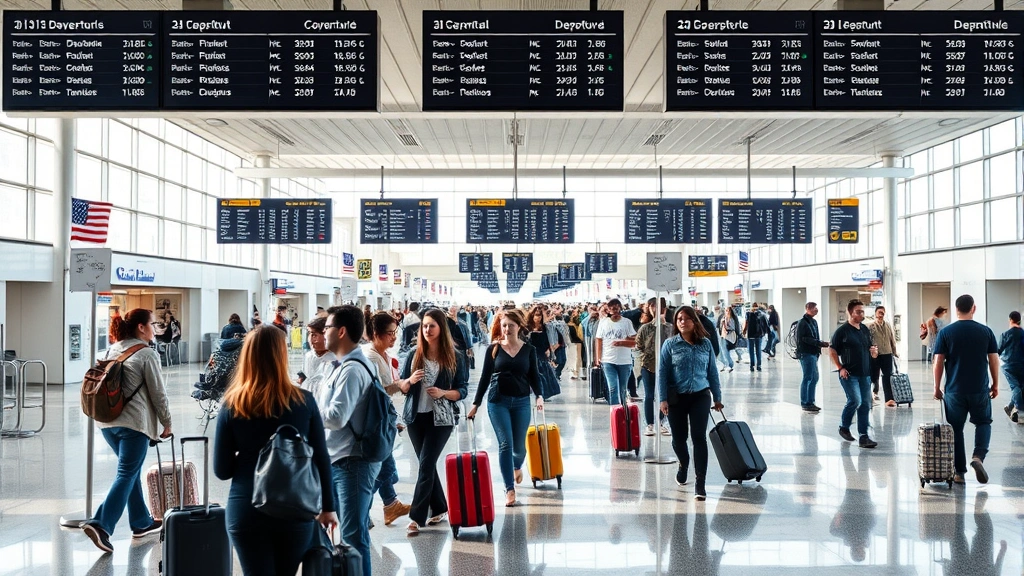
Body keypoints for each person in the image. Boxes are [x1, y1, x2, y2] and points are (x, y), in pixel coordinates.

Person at [213, 326, 337, 576]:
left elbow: (222, 470)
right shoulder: (304, 401)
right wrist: (327, 506)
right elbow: (321, 457)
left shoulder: (232, 404)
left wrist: (250, 453)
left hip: (246, 507)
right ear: (281, 356)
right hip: (295, 507)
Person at [82, 309, 172, 553]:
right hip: (134, 425)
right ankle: (101, 524)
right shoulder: (146, 354)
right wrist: (167, 422)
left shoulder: (113, 349)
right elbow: (158, 394)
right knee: (126, 473)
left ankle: (141, 521)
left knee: (130, 471)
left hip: (108, 424)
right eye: (153, 324)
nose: (156, 329)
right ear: (141, 327)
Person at [318, 305, 385, 575]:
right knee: (348, 535)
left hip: (353, 462)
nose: (323, 333)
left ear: (342, 331)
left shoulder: (352, 370)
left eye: (327, 328)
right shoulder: (341, 366)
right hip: (341, 459)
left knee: (354, 538)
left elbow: (336, 417)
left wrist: (308, 411)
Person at [397, 309, 469, 535]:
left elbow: (462, 390)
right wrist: (409, 380)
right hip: (415, 417)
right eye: (424, 326)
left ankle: (416, 517)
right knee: (425, 465)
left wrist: (443, 393)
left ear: (441, 329)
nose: (427, 330)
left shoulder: (455, 356)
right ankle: (439, 507)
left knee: (427, 464)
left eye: (432, 326)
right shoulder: (413, 354)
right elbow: (402, 386)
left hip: (442, 419)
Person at [467, 309, 543, 507]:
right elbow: (484, 378)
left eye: (510, 325)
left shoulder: (529, 350)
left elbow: (534, 375)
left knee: (519, 448)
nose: (507, 329)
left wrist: (539, 396)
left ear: (519, 327)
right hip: (497, 401)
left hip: (521, 402)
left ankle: (517, 465)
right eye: (504, 325)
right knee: (505, 444)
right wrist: (476, 403)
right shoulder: (494, 349)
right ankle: (509, 488)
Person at [932, 294, 998, 485]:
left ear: (956, 309)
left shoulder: (946, 333)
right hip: (979, 389)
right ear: (973, 308)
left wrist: (936, 387)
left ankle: (960, 473)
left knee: (956, 430)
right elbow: (993, 359)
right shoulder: (985, 332)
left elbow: (938, 361)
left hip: (954, 391)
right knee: (983, 422)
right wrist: (995, 384)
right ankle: (978, 456)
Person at [659, 306, 723, 501]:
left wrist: (717, 397)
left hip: (700, 396)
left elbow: (712, 371)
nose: (682, 322)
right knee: (679, 439)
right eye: (679, 319)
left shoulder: (706, 344)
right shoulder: (670, 345)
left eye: (687, 318)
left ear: (695, 321)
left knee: (698, 438)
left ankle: (700, 483)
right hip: (676, 397)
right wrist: (662, 399)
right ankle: (683, 463)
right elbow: (663, 373)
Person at [362, 312, 413, 526]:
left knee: (385, 465)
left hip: (385, 417)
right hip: (374, 421)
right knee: (387, 469)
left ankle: (390, 504)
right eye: (390, 333)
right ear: (376, 334)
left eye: (395, 332)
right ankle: (359, 508)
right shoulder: (370, 357)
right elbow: (375, 391)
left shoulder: (382, 354)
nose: (394, 337)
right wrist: (400, 385)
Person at [829, 299, 879, 449]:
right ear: (850, 313)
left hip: (865, 374)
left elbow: (872, 351)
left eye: (863, 311)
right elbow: (832, 350)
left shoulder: (864, 329)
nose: (861, 314)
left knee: (865, 404)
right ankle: (844, 426)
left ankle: (863, 436)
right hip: (849, 374)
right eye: (858, 311)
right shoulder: (842, 331)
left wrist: (875, 353)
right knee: (855, 400)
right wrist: (840, 367)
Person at [635, 297, 671, 437]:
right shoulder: (645, 328)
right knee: (649, 395)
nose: (655, 309)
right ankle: (650, 424)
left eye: (658, 306)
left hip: (666, 367)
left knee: (663, 395)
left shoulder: (670, 327)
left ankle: (662, 422)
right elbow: (638, 346)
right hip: (648, 366)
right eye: (652, 306)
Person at [595, 298, 638, 406]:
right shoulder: (603, 323)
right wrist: (597, 358)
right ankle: (614, 410)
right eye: (612, 309)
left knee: (623, 389)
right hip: (608, 360)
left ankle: (623, 410)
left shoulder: (627, 322)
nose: (615, 311)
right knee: (613, 388)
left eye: (617, 309)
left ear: (620, 309)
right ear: (608, 310)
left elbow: (635, 340)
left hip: (625, 361)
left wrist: (622, 342)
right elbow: (598, 340)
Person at [796, 302, 830, 413]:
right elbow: (803, 339)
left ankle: (810, 401)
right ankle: (805, 403)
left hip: (813, 353)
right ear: (808, 309)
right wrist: (819, 343)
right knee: (808, 377)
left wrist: (819, 345)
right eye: (814, 308)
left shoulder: (813, 322)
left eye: (816, 308)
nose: (816, 310)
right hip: (806, 354)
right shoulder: (802, 323)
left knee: (814, 378)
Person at [867, 306, 899, 407]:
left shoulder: (888, 325)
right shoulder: (870, 326)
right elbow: (867, 341)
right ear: (875, 313)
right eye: (879, 312)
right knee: (873, 377)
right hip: (875, 355)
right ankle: (871, 397)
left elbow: (892, 339)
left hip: (887, 354)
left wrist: (894, 351)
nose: (881, 315)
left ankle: (889, 399)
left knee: (888, 376)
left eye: (883, 313)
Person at [298, 316, 337, 399]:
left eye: (314, 335)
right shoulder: (308, 356)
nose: (311, 339)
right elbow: (304, 375)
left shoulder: (334, 359)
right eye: (309, 334)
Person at [998, 311, 1024, 423]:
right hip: (1022, 365)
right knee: (1020, 388)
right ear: (1020, 320)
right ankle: (1013, 409)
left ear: (1010, 320)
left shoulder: (1005, 334)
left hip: (1008, 365)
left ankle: (1017, 409)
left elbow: (998, 351)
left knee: (1015, 388)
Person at [742, 302, 767, 372]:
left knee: (751, 351)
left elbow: (746, 323)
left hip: (750, 335)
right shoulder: (761, 314)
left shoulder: (748, 314)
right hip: (758, 335)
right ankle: (759, 365)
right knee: (758, 350)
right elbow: (764, 324)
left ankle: (752, 365)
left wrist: (744, 331)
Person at [717, 306, 738, 373]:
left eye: (728, 310)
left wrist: (725, 324)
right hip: (723, 335)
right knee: (723, 351)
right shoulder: (723, 317)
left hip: (729, 336)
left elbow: (732, 327)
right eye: (726, 310)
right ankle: (727, 364)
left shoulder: (731, 319)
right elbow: (719, 326)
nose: (727, 312)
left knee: (725, 351)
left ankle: (729, 364)